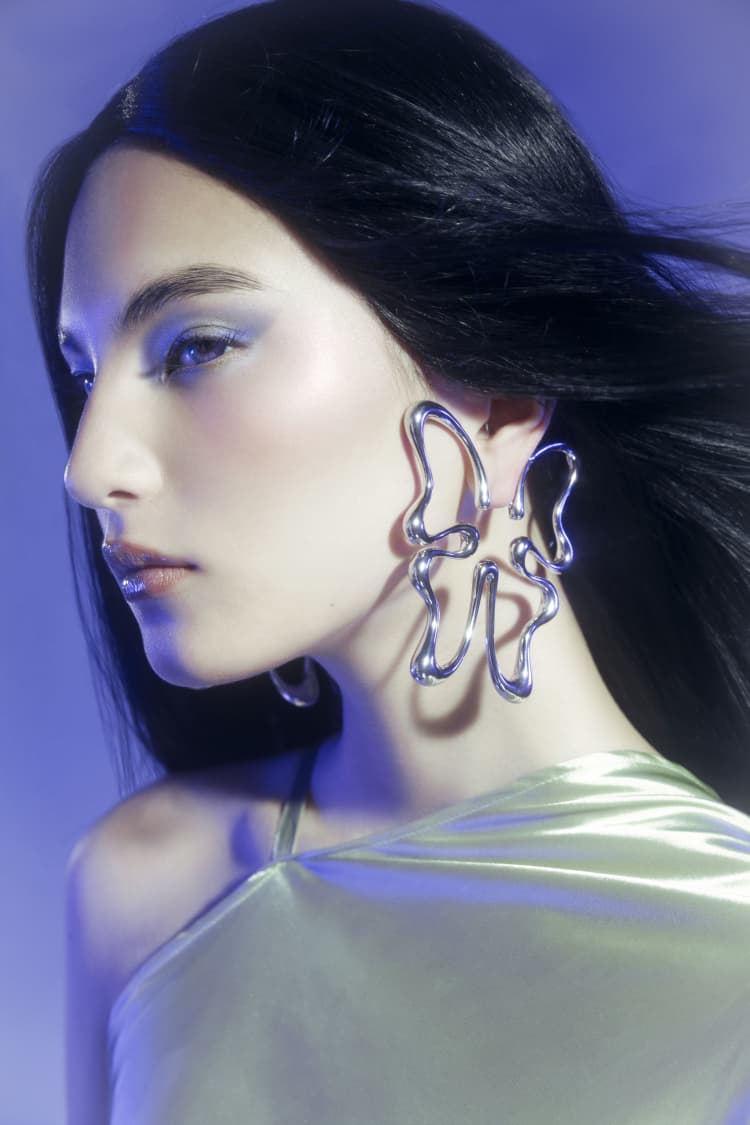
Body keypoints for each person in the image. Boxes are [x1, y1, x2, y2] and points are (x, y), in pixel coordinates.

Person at [26, 0, 750, 1121]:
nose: (89, 467)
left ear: (498, 393)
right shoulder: (145, 888)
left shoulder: (726, 953)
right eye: (85, 376)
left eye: (197, 347)